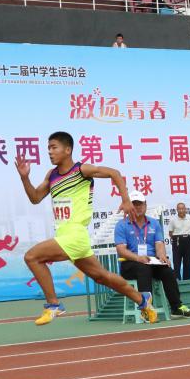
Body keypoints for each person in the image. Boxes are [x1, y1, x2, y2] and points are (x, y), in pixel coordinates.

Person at [15, 132, 157, 325]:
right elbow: (35, 198)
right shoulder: (52, 175)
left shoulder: (82, 170)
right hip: (65, 236)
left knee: (32, 257)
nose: (50, 152)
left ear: (68, 150)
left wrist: (125, 199)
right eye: (48, 148)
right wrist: (25, 178)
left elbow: (113, 173)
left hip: (75, 234)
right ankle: (142, 300)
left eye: (54, 147)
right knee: (102, 277)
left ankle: (53, 304)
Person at [115, 191, 190, 318]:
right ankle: (146, 308)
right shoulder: (122, 225)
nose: (137, 207)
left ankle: (176, 307)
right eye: (134, 204)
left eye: (140, 204)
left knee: (168, 270)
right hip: (130, 263)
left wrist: (162, 256)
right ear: (129, 206)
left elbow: (159, 243)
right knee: (143, 267)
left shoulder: (154, 223)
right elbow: (121, 250)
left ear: (145, 205)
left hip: (152, 261)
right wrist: (138, 258)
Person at [167, 202, 190, 281]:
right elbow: (170, 233)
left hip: (187, 240)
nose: (181, 210)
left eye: (183, 209)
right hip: (177, 240)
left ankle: (187, 280)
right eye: (179, 209)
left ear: (185, 209)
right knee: (176, 261)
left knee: (187, 261)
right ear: (177, 210)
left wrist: (185, 237)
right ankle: (177, 279)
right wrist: (178, 237)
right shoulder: (173, 220)